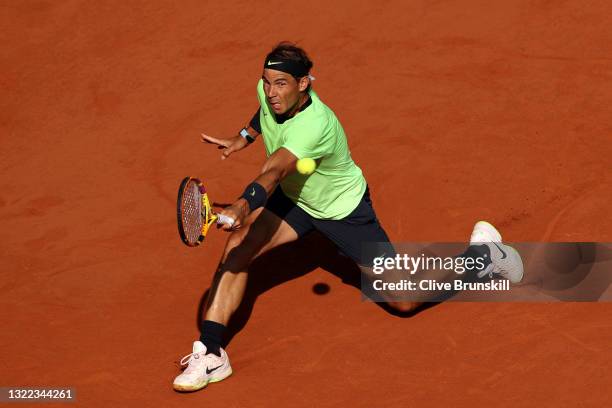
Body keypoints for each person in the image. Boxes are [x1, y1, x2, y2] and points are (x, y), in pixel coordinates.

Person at [172, 42, 524, 392]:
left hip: (342, 210)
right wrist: (244, 137)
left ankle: (483, 256)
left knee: (404, 299)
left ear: (304, 83)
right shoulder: (270, 94)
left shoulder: (316, 125)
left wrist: (241, 206)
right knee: (238, 248)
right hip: (298, 199)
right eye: (266, 82)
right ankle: (212, 351)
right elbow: (263, 112)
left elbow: (273, 172)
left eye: (280, 84)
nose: (271, 91)